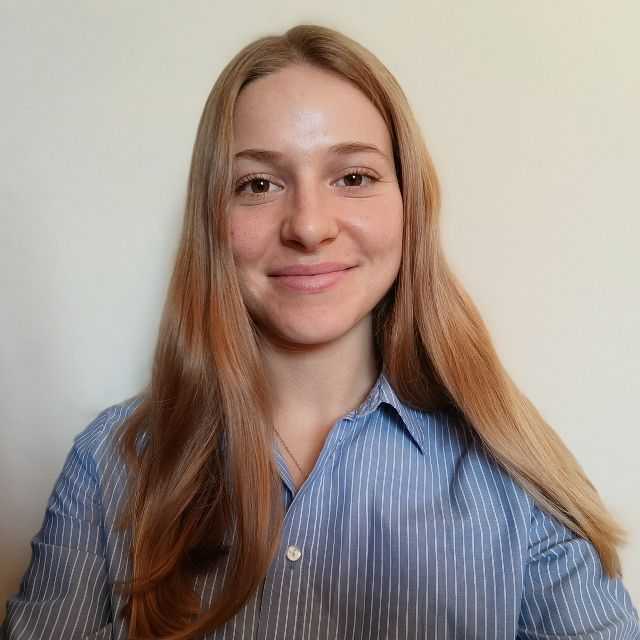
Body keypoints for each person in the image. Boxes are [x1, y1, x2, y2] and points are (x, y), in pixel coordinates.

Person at [2, 23, 639, 640]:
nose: (308, 226)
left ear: (409, 204)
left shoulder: (514, 476)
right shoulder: (108, 466)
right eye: (258, 184)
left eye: (353, 177)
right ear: (212, 218)